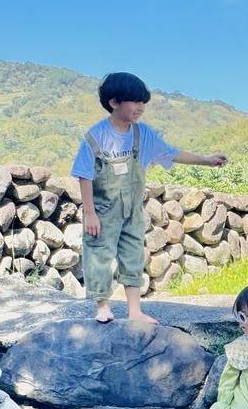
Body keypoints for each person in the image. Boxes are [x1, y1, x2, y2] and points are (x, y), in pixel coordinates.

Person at [72, 72, 229, 325]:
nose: (140, 108)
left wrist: (207, 160)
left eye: (142, 102)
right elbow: (84, 175)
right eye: (134, 102)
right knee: (99, 255)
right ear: (114, 102)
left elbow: (171, 152)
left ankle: (135, 311)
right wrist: (89, 212)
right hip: (102, 210)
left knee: (133, 255)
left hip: (132, 209)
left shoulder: (142, 134)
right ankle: (102, 306)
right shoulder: (96, 136)